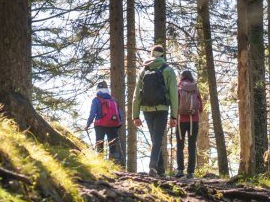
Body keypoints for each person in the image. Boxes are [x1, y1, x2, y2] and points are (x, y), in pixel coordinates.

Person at [132, 45, 178, 176]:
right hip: (162, 109)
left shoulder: (144, 70)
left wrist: (135, 115)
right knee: (157, 139)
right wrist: (174, 116)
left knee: (155, 139)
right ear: (163, 56)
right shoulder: (168, 70)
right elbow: (174, 94)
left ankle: (161, 170)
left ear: (152, 55)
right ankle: (153, 167)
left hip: (147, 109)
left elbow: (137, 95)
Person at [85, 81, 123, 164]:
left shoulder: (96, 99)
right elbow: (120, 113)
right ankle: (116, 164)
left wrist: (88, 124)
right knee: (113, 145)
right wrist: (118, 124)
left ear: (98, 90)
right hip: (113, 125)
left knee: (99, 144)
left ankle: (100, 163)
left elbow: (92, 113)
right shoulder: (113, 99)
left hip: (99, 125)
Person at [175, 70, 203, 179]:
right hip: (193, 121)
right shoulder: (195, 88)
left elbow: (175, 103)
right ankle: (190, 172)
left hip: (180, 120)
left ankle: (180, 170)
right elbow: (200, 106)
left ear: (182, 77)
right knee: (192, 146)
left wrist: (173, 116)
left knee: (180, 146)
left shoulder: (178, 87)